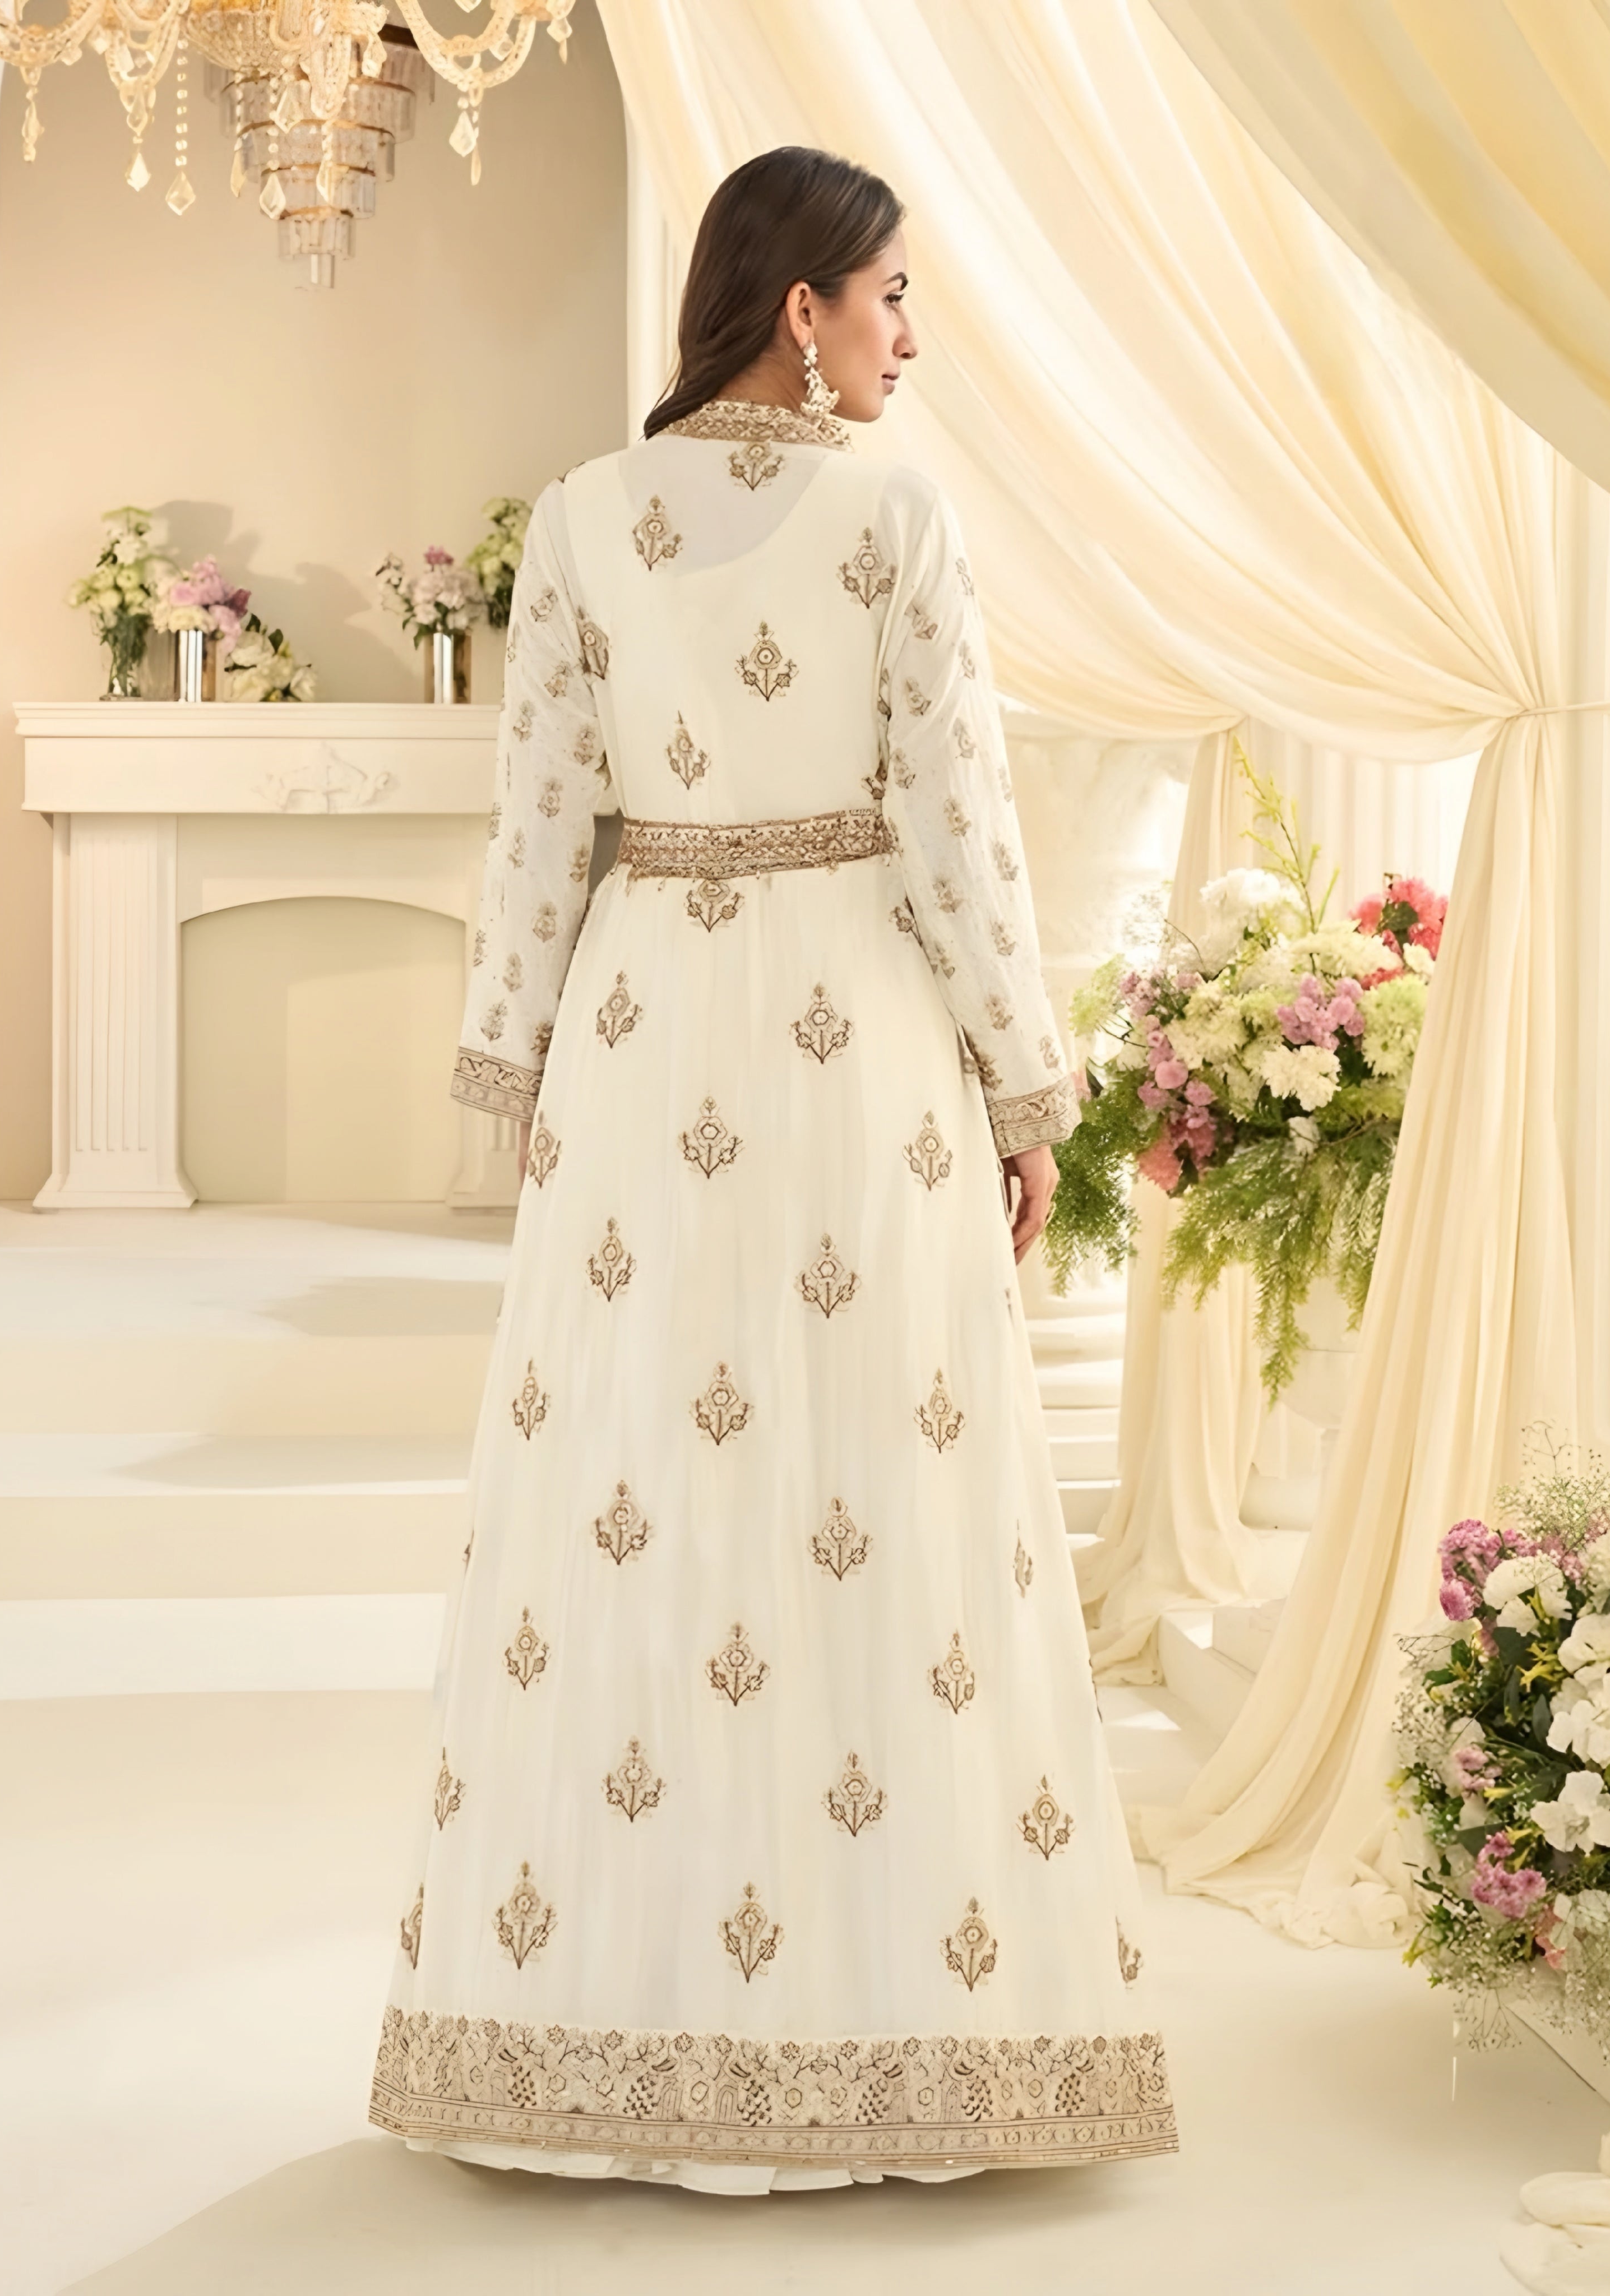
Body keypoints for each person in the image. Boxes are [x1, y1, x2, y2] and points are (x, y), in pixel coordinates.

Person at [367, 145, 1176, 2193]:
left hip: (642, 1041)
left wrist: (515, 1074)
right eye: (892, 295)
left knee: (639, 1492)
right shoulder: (896, 517)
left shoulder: (580, 516)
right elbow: (959, 832)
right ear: (800, 307)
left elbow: (537, 828)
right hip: (853, 1038)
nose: (912, 336)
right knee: (870, 1491)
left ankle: (594, 2032)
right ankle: (907, 2030)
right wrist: (1026, 1090)